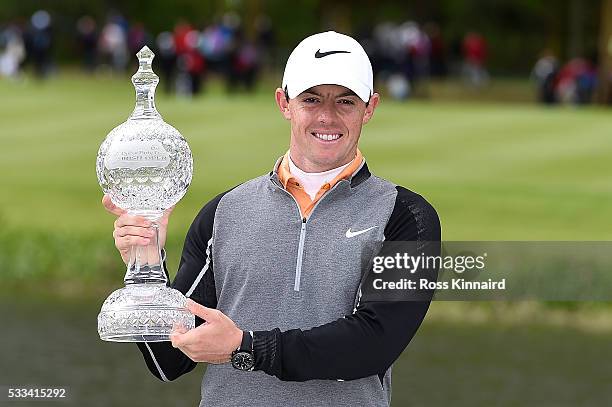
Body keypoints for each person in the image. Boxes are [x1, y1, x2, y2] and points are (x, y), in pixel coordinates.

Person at [103, 31, 440, 407]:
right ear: (284, 102)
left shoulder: (405, 216)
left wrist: (245, 347)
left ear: (370, 108)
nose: (327, 116)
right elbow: (168, 361)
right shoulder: (222, 213)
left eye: (345, 101)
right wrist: (147, 267)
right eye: (310, 99)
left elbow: (373, 345)